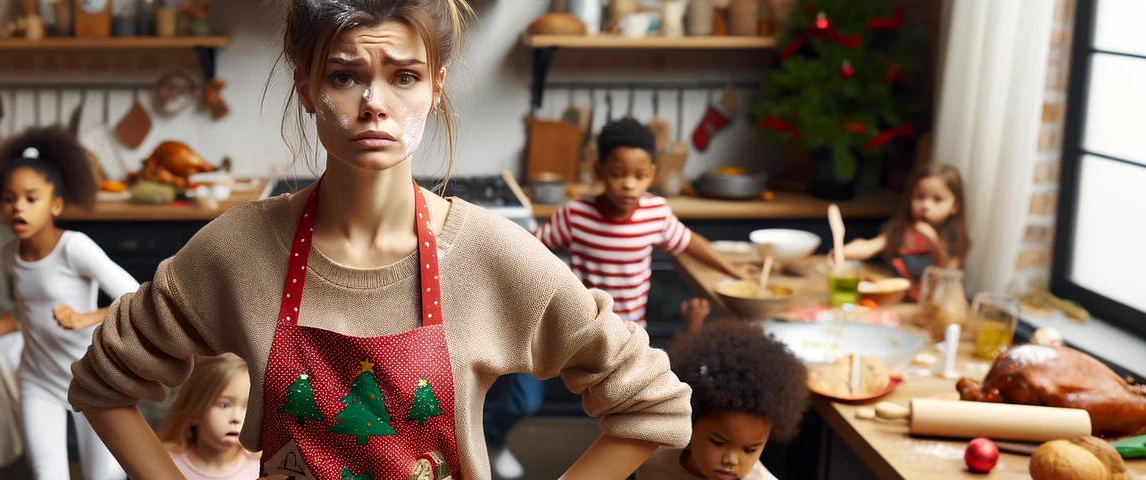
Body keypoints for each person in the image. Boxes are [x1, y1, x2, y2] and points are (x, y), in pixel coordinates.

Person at [65, 1, 693, 479]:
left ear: (435, 87)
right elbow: (103, 383)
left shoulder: (491, 255)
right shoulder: (237, 249)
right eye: (344, 76)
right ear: (306, 89)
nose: (374, 103)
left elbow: (654, 405)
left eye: (404, 76)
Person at [487, 118, 745, 478]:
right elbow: (532, 248)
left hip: (626, 338)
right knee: (523, 398)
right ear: (599, 170)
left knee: (639, 414)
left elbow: (689, 242)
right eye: (618, 173)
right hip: (572, 328)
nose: (628, 184)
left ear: (652, 173)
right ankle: (493, 437)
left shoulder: (655, 213)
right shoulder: (577, 214)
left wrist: (734, 271)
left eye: (639, 176)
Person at [0, 126, 140, 480]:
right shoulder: (10, 254)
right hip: (38, 379)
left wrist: (85, 317)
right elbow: (26, 312)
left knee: (104, 476)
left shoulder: (75, 247)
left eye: (30, 198)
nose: (17, 207)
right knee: (46, 474)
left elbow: (135, 296)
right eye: (9, 199)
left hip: (93, 379)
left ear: (55, 203)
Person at [636, 321, 807, 480]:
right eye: (718, 442)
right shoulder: (648, 462)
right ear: (692, 421)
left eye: (750, 450)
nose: (731, 460)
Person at [840, 164, 969, 299]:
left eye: (937, 200)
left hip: (933, 303)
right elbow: (870, 245)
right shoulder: (901, 230)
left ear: (955, 206)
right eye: (920, 197)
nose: (925, 206)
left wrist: (934, 242)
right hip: (900, 299)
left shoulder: (955, 240)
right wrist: (841, 251)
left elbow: (948, 273)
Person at [157, 355, 261, 480]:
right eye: (224, 405)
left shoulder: (261, 467)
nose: (237, 418)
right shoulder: (165, 461)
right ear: (195, 412)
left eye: (248, 406)